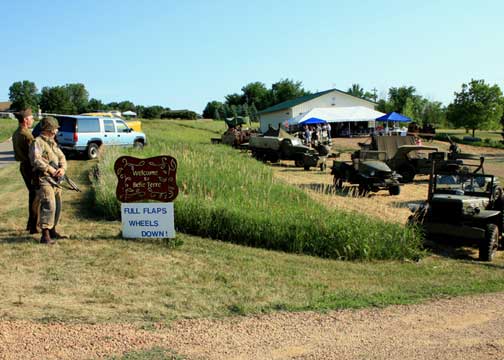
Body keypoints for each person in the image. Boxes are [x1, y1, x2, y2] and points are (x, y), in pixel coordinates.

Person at [29, 116, 68, 244]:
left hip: (55, 180)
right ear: (49, 129)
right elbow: (36, 160)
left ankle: (52, 231)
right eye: (55, 128)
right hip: (43, 179)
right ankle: (45, 236)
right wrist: (50, 169)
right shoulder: (37, 142)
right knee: (48, 204)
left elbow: (62, 157)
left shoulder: (52, 142)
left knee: (57, 205)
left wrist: (62, 169)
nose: (56, 131)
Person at [12, 108, 39, 233]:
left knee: (32, 195)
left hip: (23, 166)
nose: (33, 119)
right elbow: (34, 154)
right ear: (25, 120)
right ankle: (33, 227)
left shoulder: (17, 132)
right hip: (30, 167)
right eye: (31, 117)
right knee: (35, 196)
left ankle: (30, 224)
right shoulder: (26, 134)